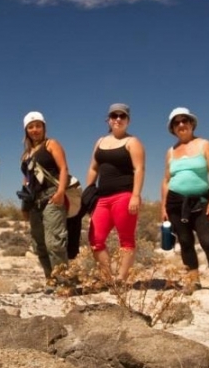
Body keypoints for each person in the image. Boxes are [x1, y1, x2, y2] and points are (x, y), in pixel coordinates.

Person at [160, 107, 209, 294]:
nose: (181, 124)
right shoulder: (170, 151)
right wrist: (163, 206)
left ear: (191, 123)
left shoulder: (204, 144)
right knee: (185, 241)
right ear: (172, 128)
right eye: (176, 122)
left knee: (208, 240)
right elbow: (166, 180)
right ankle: (193, 282)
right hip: (175, 203)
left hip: (201, 200)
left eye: (185, 120)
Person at [85, 103, 145, 284]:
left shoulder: (132, 142)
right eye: (114, 116)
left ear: (128, 120)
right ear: (108, 120)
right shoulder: (100, 141)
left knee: (126, 239)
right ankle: (107, 277)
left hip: (124, 196)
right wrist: (88, 192)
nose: (118, 119)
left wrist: (135, 195)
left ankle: (121, 278)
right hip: (102, 198)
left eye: (122, 116)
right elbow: (93, 168)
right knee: (95, 239)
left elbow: (139, 168)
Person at [19, 111, 69, 281]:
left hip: (51, 196)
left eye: (38, 126)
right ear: (26, 130)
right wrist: (24, 206)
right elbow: (26, 182)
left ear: (44, 127)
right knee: (39, 244)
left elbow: (63, 168)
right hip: (34, 202)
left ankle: (64, 283)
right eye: (31, 127)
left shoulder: (51, 144)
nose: (35, 130)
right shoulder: (26, 154)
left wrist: (61, 191)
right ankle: (51, 279)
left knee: (54, 243)